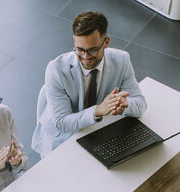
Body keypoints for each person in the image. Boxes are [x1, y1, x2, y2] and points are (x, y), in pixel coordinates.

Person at [31, 11, 147, 157]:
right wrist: (98, 110)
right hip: (62, 139)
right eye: (80, 49)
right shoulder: (56, 69)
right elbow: (62, 122)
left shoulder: (121, 60)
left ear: (106, 43)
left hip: (98, 133)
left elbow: (141, 104)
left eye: (92, 50)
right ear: (74, 40)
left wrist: (124, 104)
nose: (86, 57)